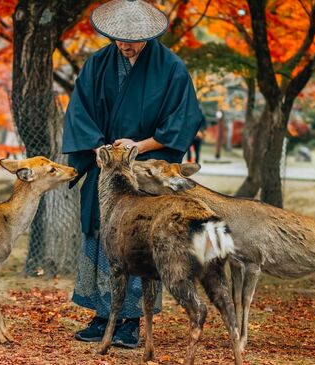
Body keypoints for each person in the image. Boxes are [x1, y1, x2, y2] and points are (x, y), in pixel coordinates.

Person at [62, 0, 204, 349]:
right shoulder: (98, 62)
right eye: (117, 39)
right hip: (105, 169)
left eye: (132, 41)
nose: (124, 46)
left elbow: (183, 120)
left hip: (143, 171)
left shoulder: (170, 68)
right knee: (100, 230)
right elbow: (79, 111)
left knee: (138, 236)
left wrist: (139, 146)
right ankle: (101, 314)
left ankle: (131, 321)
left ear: (148, 36)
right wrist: (96, 147)